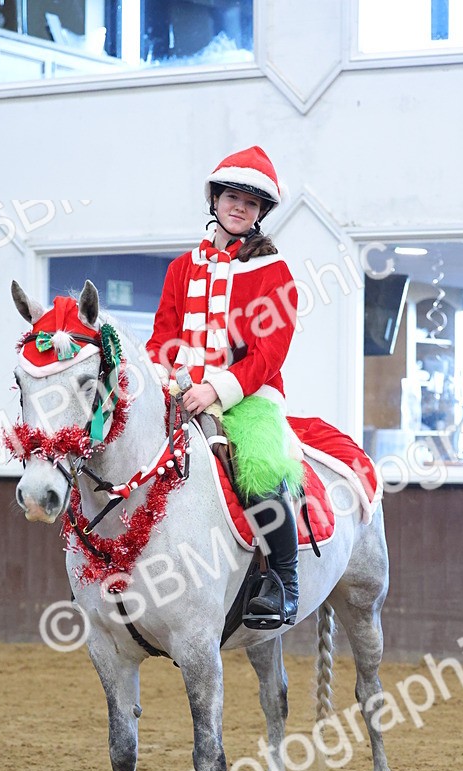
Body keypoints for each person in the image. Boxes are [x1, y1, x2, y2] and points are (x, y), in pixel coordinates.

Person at [146, 145, 302, 628]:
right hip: (179, 393)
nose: (239, 208)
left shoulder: (274, 272)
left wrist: (215, 391)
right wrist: (165, 380)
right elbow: (161, 340)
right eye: (232, 197)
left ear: (260, 214)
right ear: (215, 200)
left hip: (248, 396)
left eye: (251, 203)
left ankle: (283, 582)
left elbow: (270, 354)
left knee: (258, 469)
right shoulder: (180, 268)